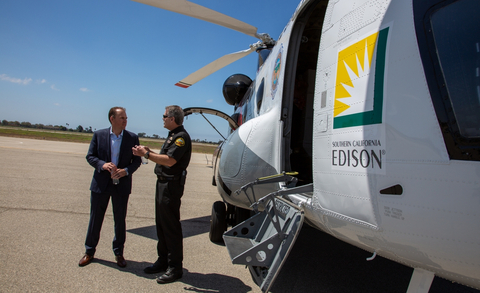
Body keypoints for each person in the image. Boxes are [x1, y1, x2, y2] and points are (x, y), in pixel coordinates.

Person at [132, 105, 191, 284]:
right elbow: (165, 157)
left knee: (170, 226)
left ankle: (175, 268)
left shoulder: (181, 137)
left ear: (172, 119)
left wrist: (147, 154)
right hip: (163, 184)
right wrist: (150, 152)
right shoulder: (173, 135)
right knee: (161, 225)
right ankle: (163, 260)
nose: (163, 119)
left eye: (164, 116)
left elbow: (171, 161)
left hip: (171, 187)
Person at [79, 107, 142, 268]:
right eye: (122, 118)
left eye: (126, 118)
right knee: (95, 219)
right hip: (101, 184)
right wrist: (102, 164)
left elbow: (137, 161)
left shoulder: (132, 137)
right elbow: (90, 156)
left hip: (121, 185)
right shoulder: (99, 135)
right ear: (112, 119)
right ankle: (89, 252)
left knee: (120, 221)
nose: (125, 121)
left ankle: (119, 253)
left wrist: (125, 171)